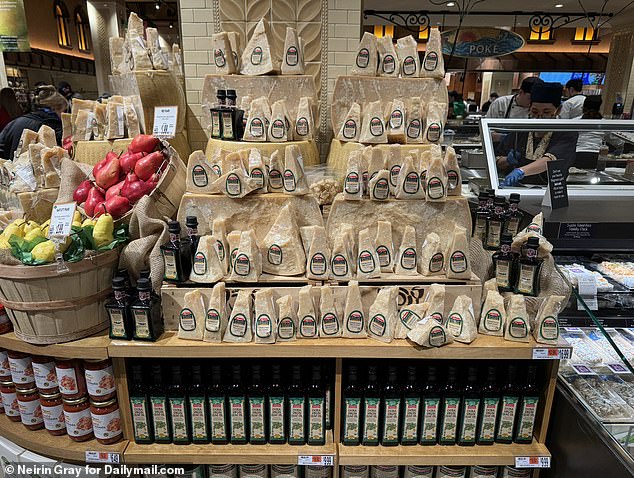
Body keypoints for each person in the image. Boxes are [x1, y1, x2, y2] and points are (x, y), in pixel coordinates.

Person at [497, 82, 578, 187]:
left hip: (550, 192)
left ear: (558, 110)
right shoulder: (521, 130)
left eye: (547, 112)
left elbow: (550, 160)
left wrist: (521, 171)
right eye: (535, 112)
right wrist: (507, 160)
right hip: (517, 189)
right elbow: (498, 160)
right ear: (529, 108)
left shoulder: (565, 132)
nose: (540, 117)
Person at [0, 85, 67, 160]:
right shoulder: (52, 128)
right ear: (54, 108)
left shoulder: (14, 123)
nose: (64, 115)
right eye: (63, 111)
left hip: (12, 169)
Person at [575, 95, 604, 169]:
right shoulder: (604, 123)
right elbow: (616, 141)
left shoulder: (574, 121)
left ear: (583, 107)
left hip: (576, 155)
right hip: (596, 156)